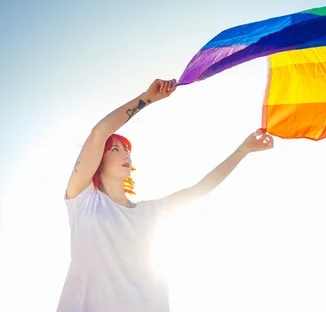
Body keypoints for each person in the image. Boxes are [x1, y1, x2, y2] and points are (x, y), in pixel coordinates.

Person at [57, 78, 274, 312]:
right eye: (116, 149)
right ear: (98, 159)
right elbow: (99, 134)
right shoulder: (83, 201)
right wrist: (148, 98)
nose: (125, 155)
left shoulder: (150, 212)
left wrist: (243, 150)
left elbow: (200, 188)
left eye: (127, 151)